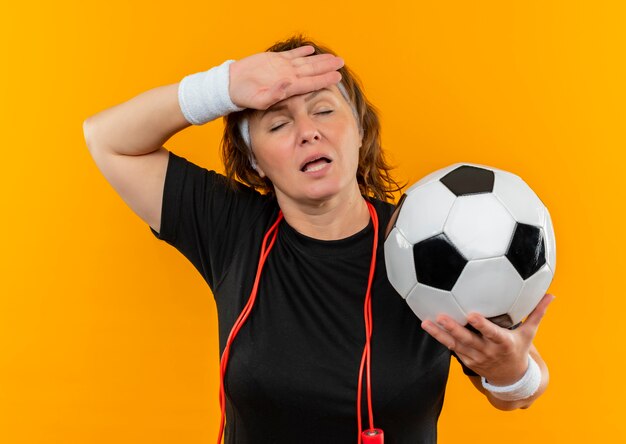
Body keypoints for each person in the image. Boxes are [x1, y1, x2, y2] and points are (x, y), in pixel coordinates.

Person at [83, 34, 553, 444]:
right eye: (278, 123)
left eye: (324, 110)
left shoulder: (429, 240)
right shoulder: (230, 226)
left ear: (360, 132)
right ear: (255, 164)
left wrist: (512, 375)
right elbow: (107, 138)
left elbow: (521, 392)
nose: (308, 132)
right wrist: (223, 86)